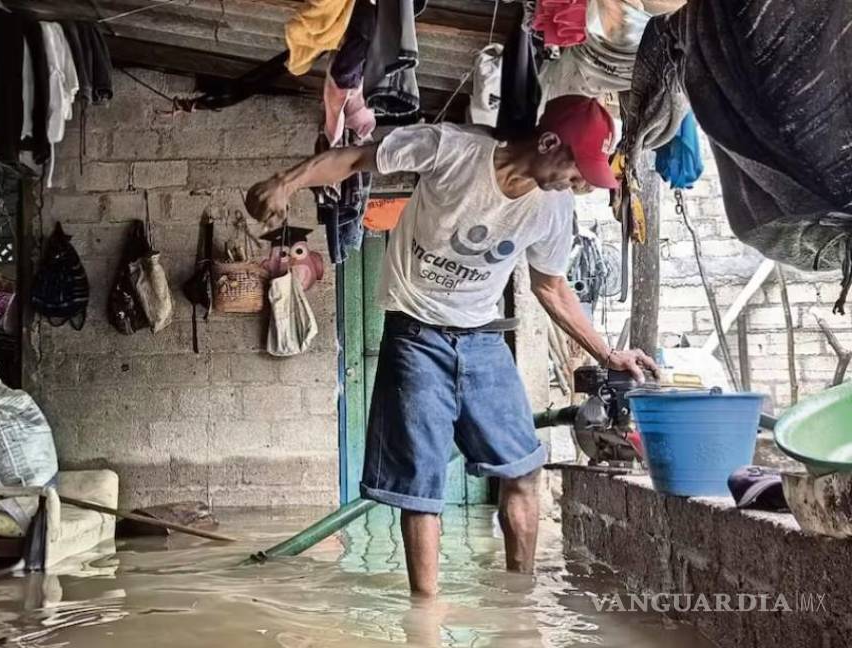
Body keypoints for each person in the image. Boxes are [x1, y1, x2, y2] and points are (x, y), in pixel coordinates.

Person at [245, 95, 658, 596]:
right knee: (421, 491)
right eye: (577, 169)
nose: (580, 185)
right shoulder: (452, 149)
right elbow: (356, 158)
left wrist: (607, 354)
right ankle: (427, 617)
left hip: (483, 341)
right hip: (415, 336)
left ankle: (517, 605)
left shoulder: (554, 209)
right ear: (549, 142)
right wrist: (285, 182)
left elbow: (549, 287)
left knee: (524, 470)